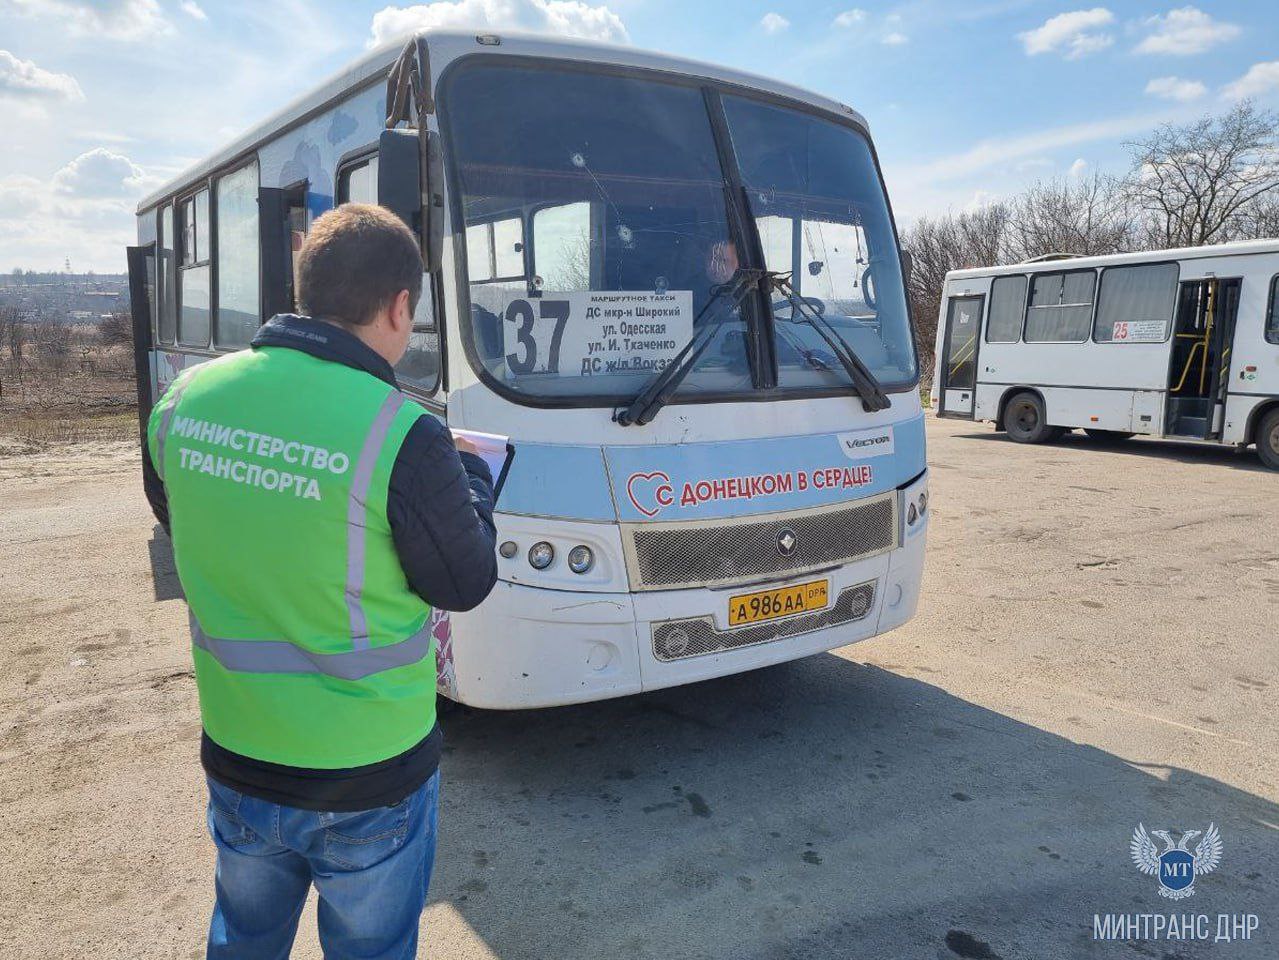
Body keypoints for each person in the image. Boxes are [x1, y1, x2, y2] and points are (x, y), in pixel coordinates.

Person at [142, 203, 498, 959]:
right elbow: (463, 582)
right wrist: (470, 479)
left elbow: (183, 519)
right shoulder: (404, 433)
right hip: (368, 775)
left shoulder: (183, 402)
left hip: (238, 751)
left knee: (243, 939)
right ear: (400, 307)